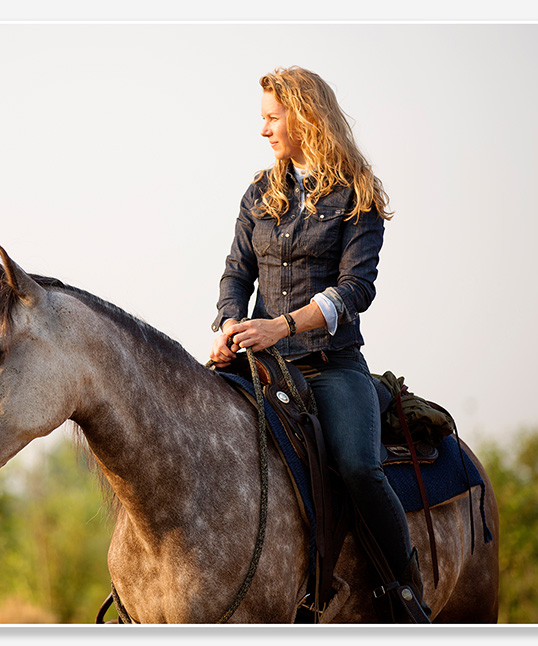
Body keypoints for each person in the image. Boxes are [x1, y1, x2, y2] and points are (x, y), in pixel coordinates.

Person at [208, 66, 430, 621]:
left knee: (358, 466)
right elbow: (236, 273)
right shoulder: (259, 192)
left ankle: (402, 590)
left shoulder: (358, 193)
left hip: (331, 366)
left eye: (271, 118)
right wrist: (230, 327)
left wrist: (281, 326)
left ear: (304, 117)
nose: (263, 130)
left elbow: (356, 289)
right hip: (257, 364)